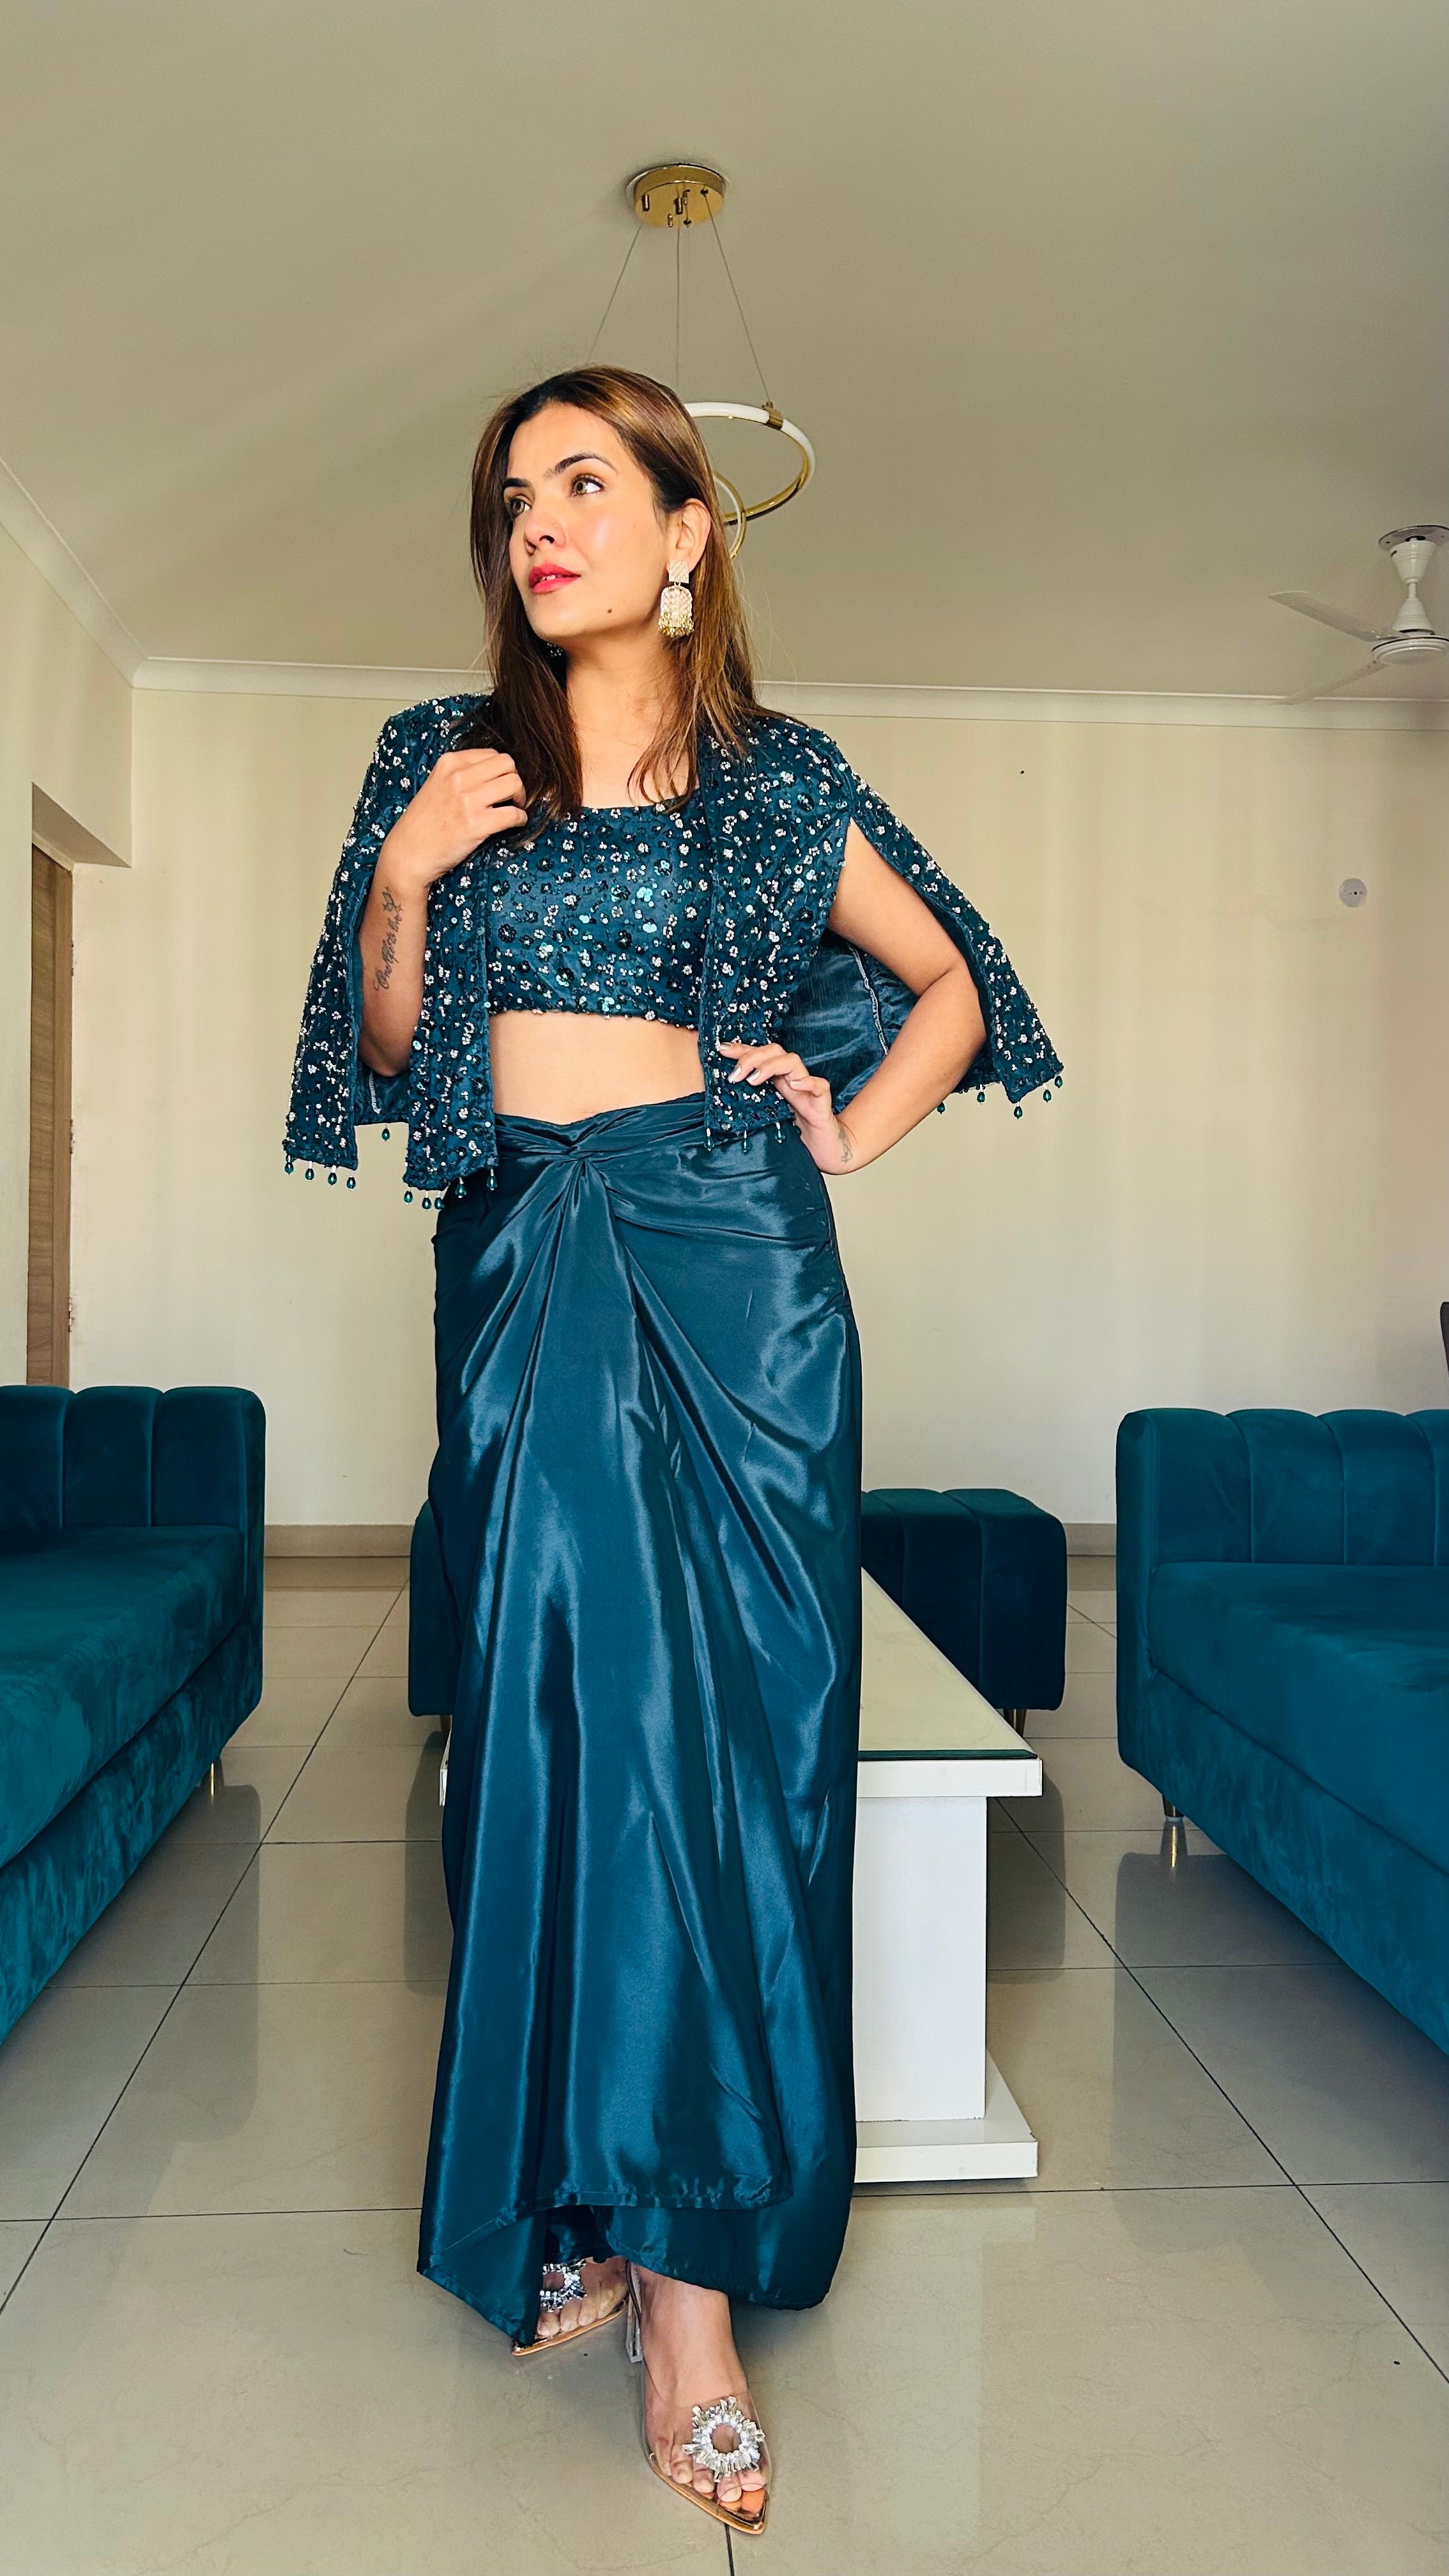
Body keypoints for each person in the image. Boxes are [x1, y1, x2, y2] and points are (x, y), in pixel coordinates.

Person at [285, 365, 1060, 2536]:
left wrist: (848, 1125)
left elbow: (955, 986)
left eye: (585, 482)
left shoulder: (776, 777)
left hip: (735, 1264)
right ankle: (576, 2193)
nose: (537, 523)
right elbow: (384, 1046)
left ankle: (691, 2277)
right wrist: (402, 883)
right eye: (511, 494)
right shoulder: (432, 761)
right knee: (546, 1723)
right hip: (524, 1250)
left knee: (730, 1742)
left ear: (687, 529)